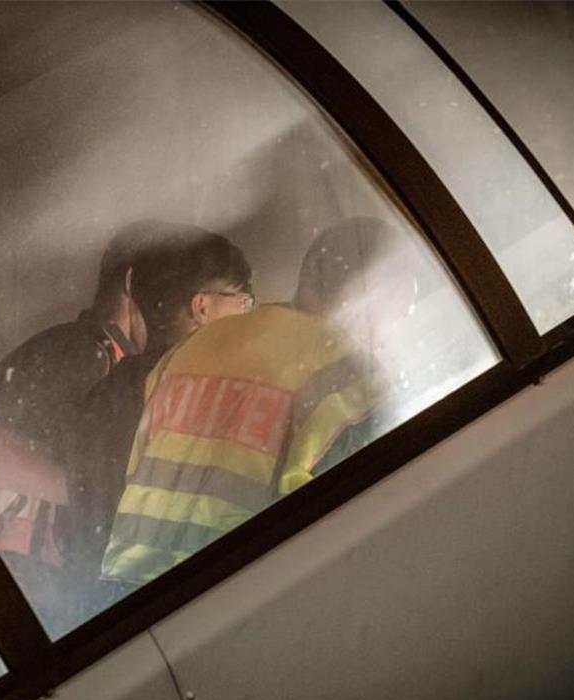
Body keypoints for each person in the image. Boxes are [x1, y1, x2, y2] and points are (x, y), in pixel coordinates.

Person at [0, 221, 251, 632]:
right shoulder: (86, 353)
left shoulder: (112, 365)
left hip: (23, 590)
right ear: (133, 284)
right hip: (15, 591)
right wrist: (92, 493)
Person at [101, 217, 398, 587]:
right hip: (231, 587)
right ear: (374, 294)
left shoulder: (190, 350)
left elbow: (135, 472)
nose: (402, 319)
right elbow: (351, 528)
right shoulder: (352, 374)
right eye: (402, 303)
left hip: (126, 588)